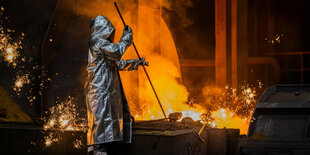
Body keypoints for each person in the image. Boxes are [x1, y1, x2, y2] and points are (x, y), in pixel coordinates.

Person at [85, 15, 148, 155]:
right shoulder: (96, 42)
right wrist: (126, 38)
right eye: (109, 32)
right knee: (100, 133)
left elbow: (119, 63)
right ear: (103, 30)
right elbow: (116, 52)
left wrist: (137, 62)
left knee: (107, 132)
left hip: (106, 93)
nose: (111, 35)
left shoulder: (104, 48)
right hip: (99, 93)